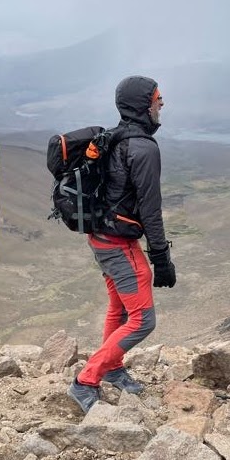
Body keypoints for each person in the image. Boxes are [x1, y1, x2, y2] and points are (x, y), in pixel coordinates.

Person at [67, 76, 177, 413]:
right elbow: (150, 209)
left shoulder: (115, 138)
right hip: (118, 244)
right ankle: (85, 381)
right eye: (157, 98)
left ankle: (113, 368)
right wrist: (161, 258)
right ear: (144, 104)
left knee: (120, 308)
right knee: (142, 319)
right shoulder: (143, 148)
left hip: (101, 237)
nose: (162, 103)